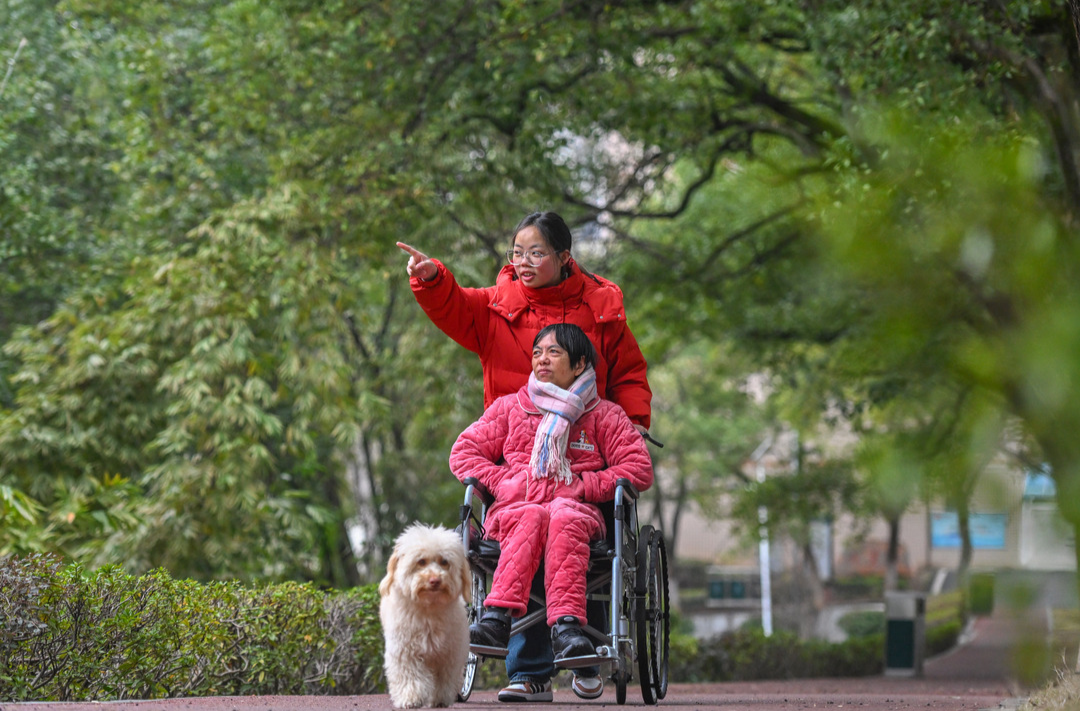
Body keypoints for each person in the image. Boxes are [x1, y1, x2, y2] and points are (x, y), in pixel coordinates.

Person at [397, 211, 652, 702]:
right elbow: (455, 306)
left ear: (564, 257)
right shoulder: (499, 305)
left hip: (583, 453)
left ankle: (583, 649)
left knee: (573, 523)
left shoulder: (600, 305)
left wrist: (631, 423)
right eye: (517, 253)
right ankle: (529, 668)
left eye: (537, 253)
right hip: (518, 452)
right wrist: (432, 279)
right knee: (531, 518)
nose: (525, 262)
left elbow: (628, 369)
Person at [449, 324, 653, 684]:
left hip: (576, 512)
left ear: (579, 364)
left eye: (553, 352)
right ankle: (496, 618)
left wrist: (584, 485)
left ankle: (568, 628)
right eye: (537, 352)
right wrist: (503, 482)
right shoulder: (511, 408)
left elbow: (637, 468)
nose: (542, 359)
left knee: (561, 515)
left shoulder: (603, 415)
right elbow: (464, 453)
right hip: (515, 510)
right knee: (531, 513)